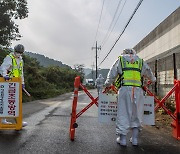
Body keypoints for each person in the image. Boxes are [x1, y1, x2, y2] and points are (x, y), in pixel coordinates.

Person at [104, 48, 156, 146]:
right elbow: (148, 71)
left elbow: (112, 72)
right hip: (138, 90)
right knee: (137, 114)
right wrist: (153, 79)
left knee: (123, 113)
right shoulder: (140, 61)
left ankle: (122, 139)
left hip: (124, 90)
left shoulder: (121, 60)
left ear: (124, 53)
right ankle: (135, 139)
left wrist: (107, 84)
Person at [0, 44, 28, 127]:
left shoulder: (21, 60)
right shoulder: (9, 57)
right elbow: (3, 68)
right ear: (14, 51)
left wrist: (22, 83)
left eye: (20, 52)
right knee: (5, 102)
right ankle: (3, 120)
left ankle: (18, 121)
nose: (19, 54)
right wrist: (5, 75)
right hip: (8, 83)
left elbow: (21, 72)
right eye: (17, 52)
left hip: (17, 84)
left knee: (16, 103)